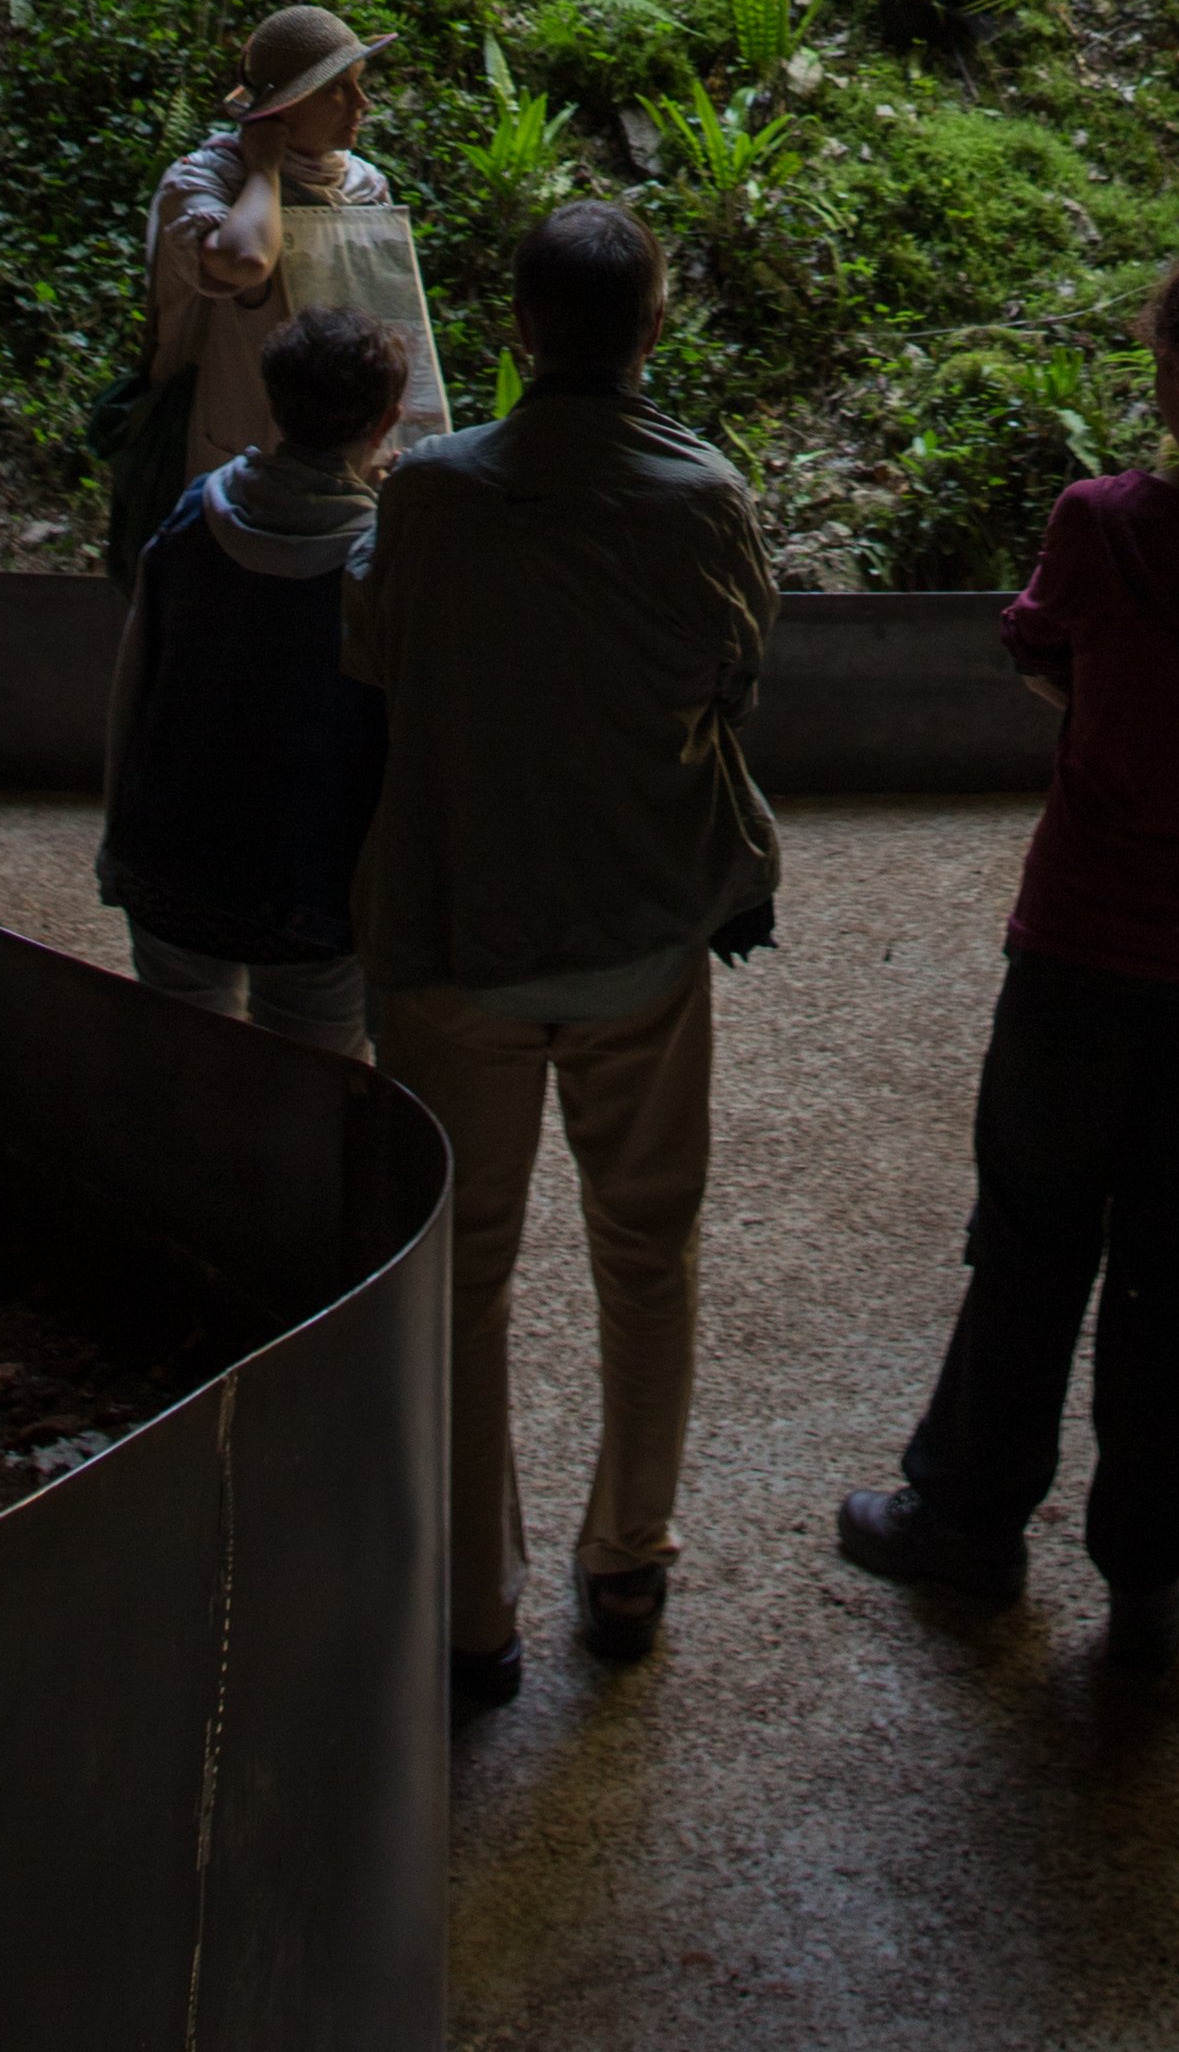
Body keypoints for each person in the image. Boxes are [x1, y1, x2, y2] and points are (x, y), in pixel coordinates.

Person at [835, 231, 1179, 1676]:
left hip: (1083, 942)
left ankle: (968, 1516)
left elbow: (1038, 650)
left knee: (1029, 1240)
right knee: (1173, 1262)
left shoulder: (1098, 523)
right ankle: (1153, 1573)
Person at [348, 196, 778, 1710]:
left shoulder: (432, 498)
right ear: (655, 331)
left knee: (461, 1275)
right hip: (634, 936)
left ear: (517, 329)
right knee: (644, 1250)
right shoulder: (702, 496)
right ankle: (628, 1559)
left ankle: (475, 1616)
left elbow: (374, 664)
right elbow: (735, 672)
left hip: (457, 932)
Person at [97, 303, 406, 1051]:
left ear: (273, 401)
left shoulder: (188, 522)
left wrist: (119, 844)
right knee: (311, 1092)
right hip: (313, 896)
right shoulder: (385, 566)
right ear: (387, 421)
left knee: (180, 1072)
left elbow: (132, 690)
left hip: (168, 868)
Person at [146, 0, 452, 492]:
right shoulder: (205, 181)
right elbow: (246, 261)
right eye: (336, 90)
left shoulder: (363, 185)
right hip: (240, 436)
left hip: (348, 444)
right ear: (282, 109)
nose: (362, 103)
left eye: (359, 82)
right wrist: (264, 169)